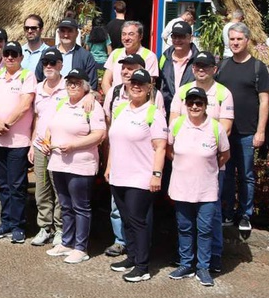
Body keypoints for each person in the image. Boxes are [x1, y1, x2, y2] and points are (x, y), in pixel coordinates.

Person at [105, 69, 168, 282]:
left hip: (140, 178)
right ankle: (131, 257)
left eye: (141, 83)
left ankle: (142, 267)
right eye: (133, 82)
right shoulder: (121, 108)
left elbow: (160, 147)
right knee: (126, 220)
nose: (136, 86)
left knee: (137, 221)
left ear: (149, 87)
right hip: (118, 176)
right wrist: (109, 167)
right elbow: (114, 141)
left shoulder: (153, 113)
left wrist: (156, 175)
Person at [39, 69, 107, 263]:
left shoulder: (92, 106)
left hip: (81, 164)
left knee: (80, 206)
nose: (72, 86)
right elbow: (51, 128)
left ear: (85, 86)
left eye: (77, 83)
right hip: (58, 162)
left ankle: (81, 247)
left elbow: (99, 134)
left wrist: (74, 145)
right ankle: (67, 242)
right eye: (69, 83)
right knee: (65, 205)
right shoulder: (62, 103)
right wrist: (47, 142)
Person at [166, 86, 230, 286]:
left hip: (206, 189)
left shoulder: (215, 127)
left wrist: (208, 169)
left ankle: (203, 267)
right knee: (184, 227)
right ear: (185, 105)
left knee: (205, 229)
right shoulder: (176, 125)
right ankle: (186, 264)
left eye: (199, 103)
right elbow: (169, 149)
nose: (194, 106)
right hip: (181, 187)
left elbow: (225, 155)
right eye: (191, 102)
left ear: (205, 106)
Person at [215, 22, 269, 237]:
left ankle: (245, 214)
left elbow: (264, 102)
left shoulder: (258, 67)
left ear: (247, 41)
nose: (235, 43)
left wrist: (260, 131)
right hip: (226, 132)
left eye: (239, 39)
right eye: (232, 39)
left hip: (248, 132)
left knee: (246, 175)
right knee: (227, 174)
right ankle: (228, 212)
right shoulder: (224, 66)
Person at [0, 42, 36, 243]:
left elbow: (25, 105)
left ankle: (19, 225)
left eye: (14, 54)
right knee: (3, 184)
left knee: (17, 184)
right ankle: (6, 223)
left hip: (18, 141)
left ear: (20, 57)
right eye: (7, 54)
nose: (10, 57)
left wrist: (5, 123)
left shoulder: (27, 76)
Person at [28, 48, 65, 246]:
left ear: (61, 64)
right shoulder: (38, 88)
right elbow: (36, 118)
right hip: (41, 145)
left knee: (59, 190)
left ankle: (60, 229)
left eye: (53, 63)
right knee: (41, 189)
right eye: (45, 63)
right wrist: (32, 144)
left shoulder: (69, 87)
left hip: (60, 148)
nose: (49, 66)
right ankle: (45, 227)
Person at [33, 18, 101, 84]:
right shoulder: (47, 53)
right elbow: (37, 79)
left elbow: (91, 85)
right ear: (58, 33)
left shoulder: (85, 56)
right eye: (63, 31)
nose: (66, 35)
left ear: (77, 33)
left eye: (70, 31)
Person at [101, 21, 160, 95]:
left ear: (140, 36)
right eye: (124, 34)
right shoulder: (115, 53)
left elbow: (149, 85)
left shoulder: (149, 56)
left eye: (131, 34)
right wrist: (113, 99)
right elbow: (105, 82)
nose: (126, 38)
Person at [158, 19, 200, 112]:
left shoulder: (199, 60)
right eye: (174, 36)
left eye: (181, 37)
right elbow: (157, 86)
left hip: (191, 111)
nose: (177, 40)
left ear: (190, 38)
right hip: (167, 111)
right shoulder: (163, 58)